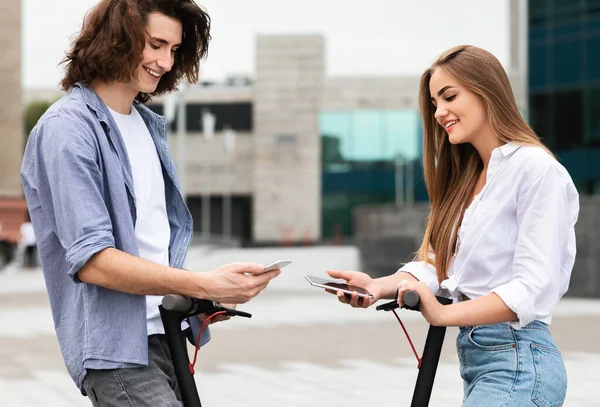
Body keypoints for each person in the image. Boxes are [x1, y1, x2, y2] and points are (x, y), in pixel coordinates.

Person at [20, 0, 280, 405]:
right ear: (117, 38)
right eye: (156, 44)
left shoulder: (144, 126)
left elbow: (150, 247)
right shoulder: (66, 129)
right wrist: (202, 282)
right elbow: (93, 260)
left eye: (174, 50)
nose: (165, 60)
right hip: (117, 353)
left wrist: (213, 291)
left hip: (166, 334)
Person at [327, 45, 579, 407]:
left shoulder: (537, 171)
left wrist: (444, 313)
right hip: (482, 363)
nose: (440, 112)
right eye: (434, 103)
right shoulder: (469, 179)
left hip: (520, 362)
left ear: (487, 91)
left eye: (449, 96)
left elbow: (533, 288)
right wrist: (376, 287)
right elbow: (438, 266)